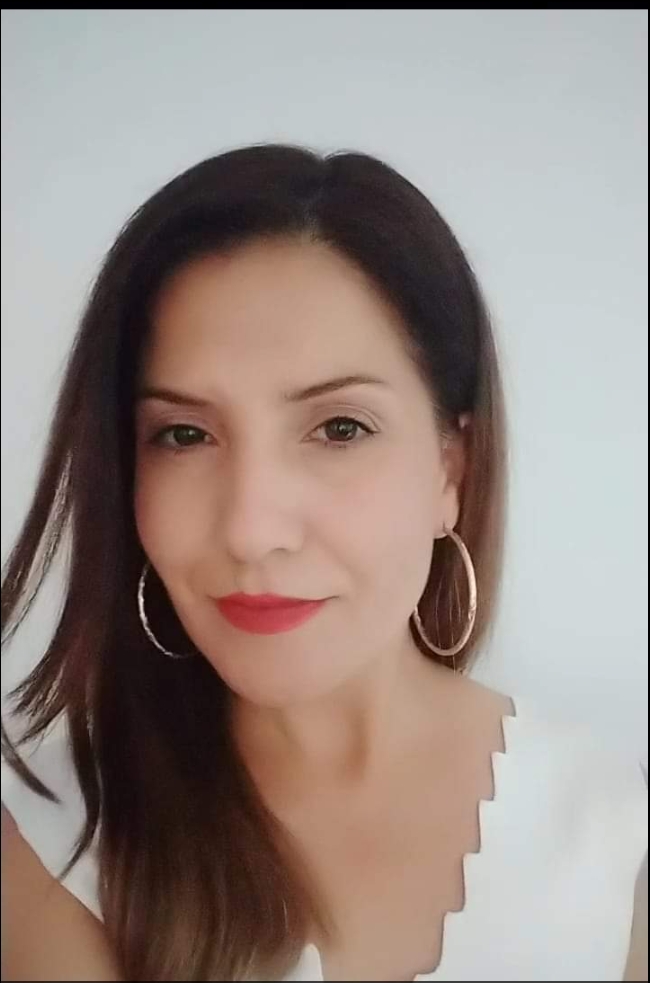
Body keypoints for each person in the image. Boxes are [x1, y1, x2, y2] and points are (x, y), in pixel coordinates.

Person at [1, 143, 646, 983]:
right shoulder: (52, 845)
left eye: (340, 428)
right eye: (185, 434)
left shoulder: (613, 834)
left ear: (452, 469)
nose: (251, 530)